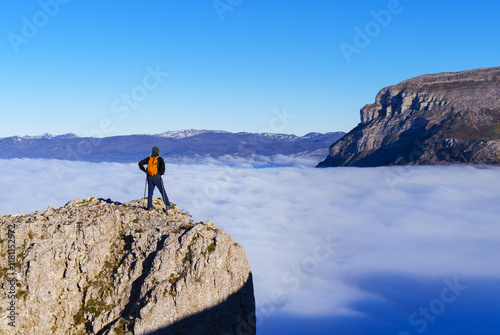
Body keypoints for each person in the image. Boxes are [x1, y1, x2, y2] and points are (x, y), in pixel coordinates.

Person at [138, 146, 172, 213]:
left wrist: (145, 171)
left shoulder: (149, 158)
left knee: (150, 192)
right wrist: (160, 174)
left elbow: (140, 163)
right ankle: (168, 205)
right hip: (157, 178)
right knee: (162, 191)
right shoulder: (160, 158)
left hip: (149, 177)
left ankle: (149, 206)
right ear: (158, 152)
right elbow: (163, 167)